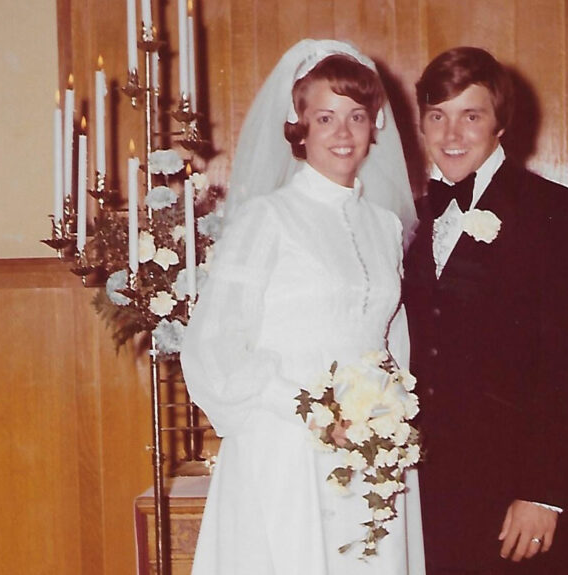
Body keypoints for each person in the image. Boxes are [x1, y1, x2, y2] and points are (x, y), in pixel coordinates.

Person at [180, 39, 424, 575]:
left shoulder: (383, 226)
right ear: (300, 127)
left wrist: (387, 413)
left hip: (370, 448)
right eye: (325, 117)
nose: (343, 133)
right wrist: (316, 412)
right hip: (286, 444)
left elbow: (391, 339)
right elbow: (217, 344)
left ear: (374, 125)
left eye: (356, 116)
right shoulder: (266, 219)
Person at [402, 47, 568, 574]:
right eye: (437, 116)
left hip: (514, 492)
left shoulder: (554, 212)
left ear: (500, 124)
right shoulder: (411, 217)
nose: (451, 134)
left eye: (471, 116)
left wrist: (543, 493)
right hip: (420, 492)